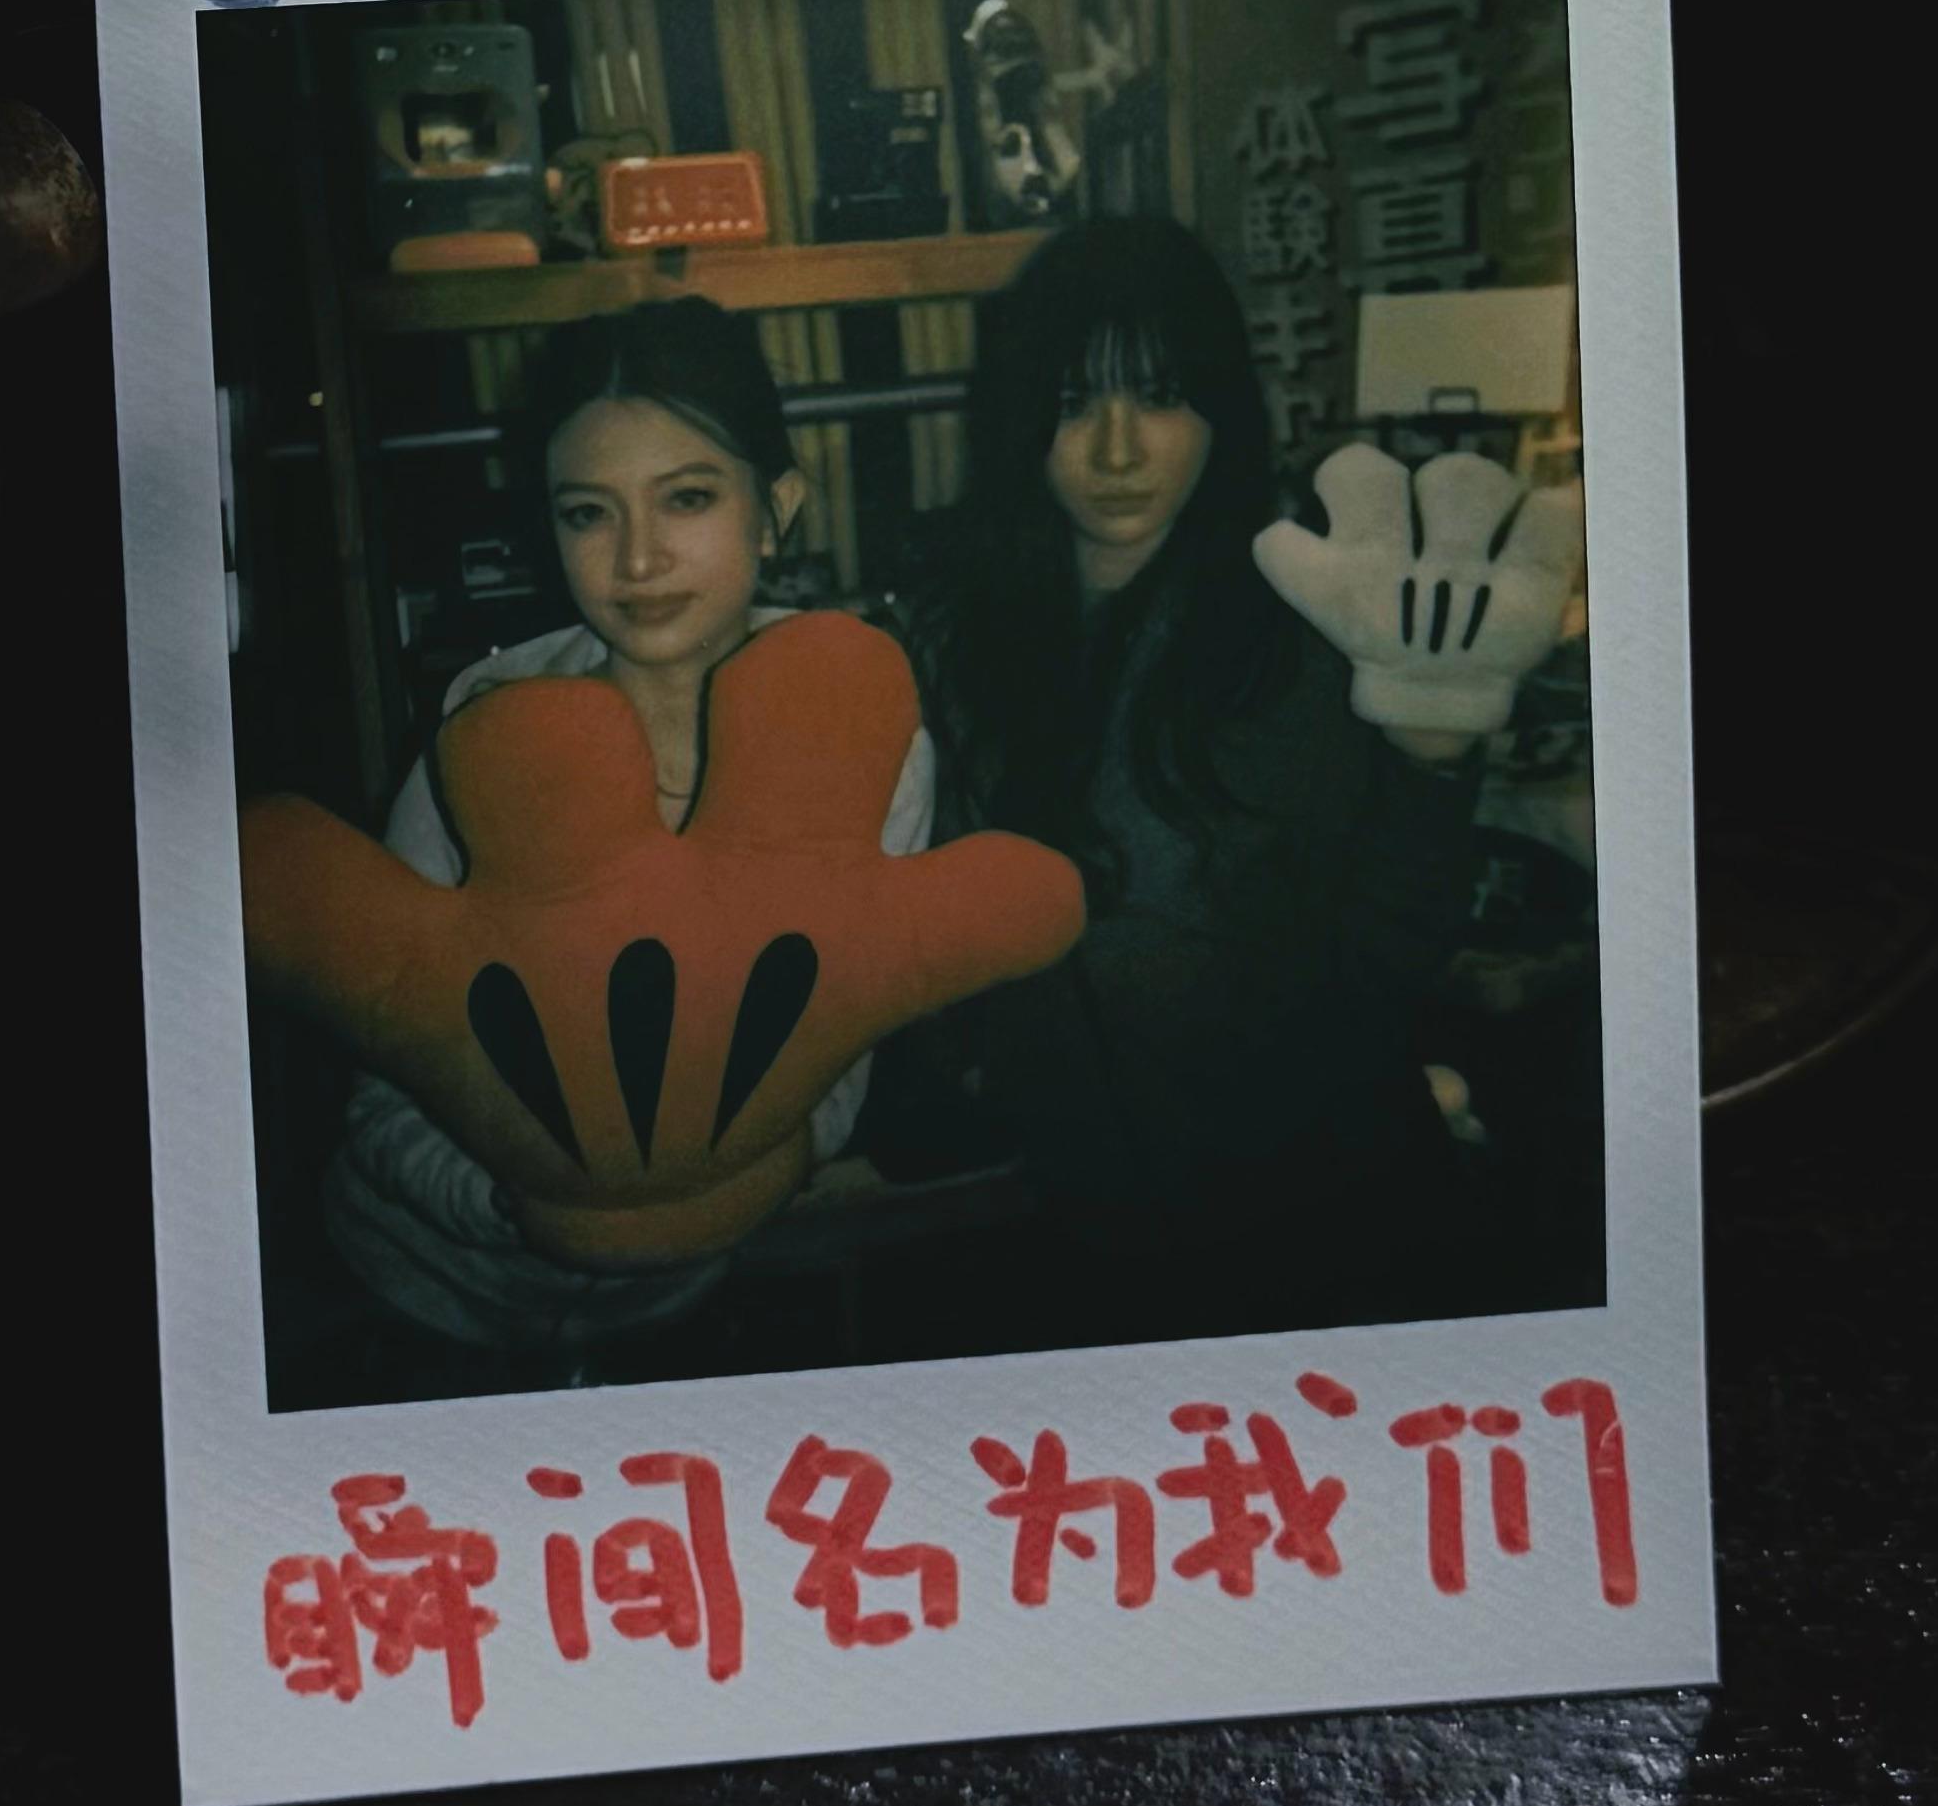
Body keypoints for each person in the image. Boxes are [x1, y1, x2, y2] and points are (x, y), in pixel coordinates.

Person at [884, 214, 1566, 1338]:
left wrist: (1430, 765)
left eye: (1160, 395)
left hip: (1319, 1232)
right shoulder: (956, 646)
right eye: (1073, 400)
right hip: (1067, 1233)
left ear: (1219, 407)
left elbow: (1392, 947)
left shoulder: (1303, 629)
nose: (1117, 449)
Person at [321, 300, 936, 1370]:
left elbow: (834, 1059)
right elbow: (380, 1065)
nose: (639, 559)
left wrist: (685, 1209)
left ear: (775, 510)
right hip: (417, 1294)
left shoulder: (865, 741)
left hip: (685, 1305)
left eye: (687, 498)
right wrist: (533, 1205)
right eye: (588, 513)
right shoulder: (485, 730)